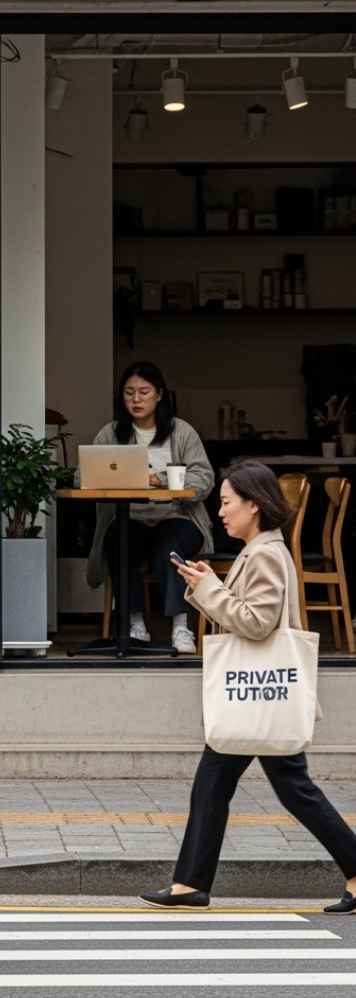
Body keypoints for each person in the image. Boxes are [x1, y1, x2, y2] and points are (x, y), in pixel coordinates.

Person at [140, 460, 356, 913]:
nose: (220, 512)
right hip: (256, 694)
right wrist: (209, 584)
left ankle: (190, 883)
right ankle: (189, 883)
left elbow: (257, 624)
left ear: (253, 505)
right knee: (220, 785)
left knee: (283, 789)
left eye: (226, 502)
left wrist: (210, 589)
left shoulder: (265, 554)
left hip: (256, 693)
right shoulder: (258, 550)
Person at [84, 362, 214, 653]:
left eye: (144, 392)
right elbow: (84, 477)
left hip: (177, 516)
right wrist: (125, 477)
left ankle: (181, 628)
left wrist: (161, 480)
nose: (136, 399)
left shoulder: (182, 432)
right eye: (129, 393)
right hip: (130, 517)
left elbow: (204, 478)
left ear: (159, 395)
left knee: (168, 546)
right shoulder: (111, 433)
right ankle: (134, 625)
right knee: (119, 540)